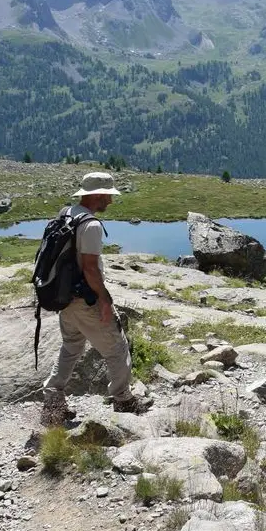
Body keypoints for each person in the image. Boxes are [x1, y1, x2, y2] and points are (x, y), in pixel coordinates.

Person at [40, 172, 152, 426]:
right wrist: (105, 300)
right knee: (117, 348)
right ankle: (123, 399)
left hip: (64, 297)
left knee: (71, 347)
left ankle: (52, 404)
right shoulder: (90, 225)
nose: (110, 201)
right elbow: (90, 268)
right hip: (84, 299)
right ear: (97, 195)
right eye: (108, 196)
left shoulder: (66, 212)